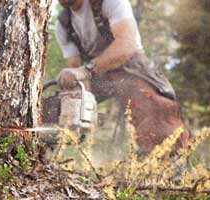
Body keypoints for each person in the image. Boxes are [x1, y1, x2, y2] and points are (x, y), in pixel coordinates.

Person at [54, 0, 189, 156]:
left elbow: (127, 45)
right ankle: (57, 151)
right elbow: (75, 67)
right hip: (96, 74)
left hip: (129, 66)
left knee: (156, 112)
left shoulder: (110, 2)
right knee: (60, 104)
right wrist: (81, 101)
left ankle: (162, 163)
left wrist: (86, 70)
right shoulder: (63, 25)